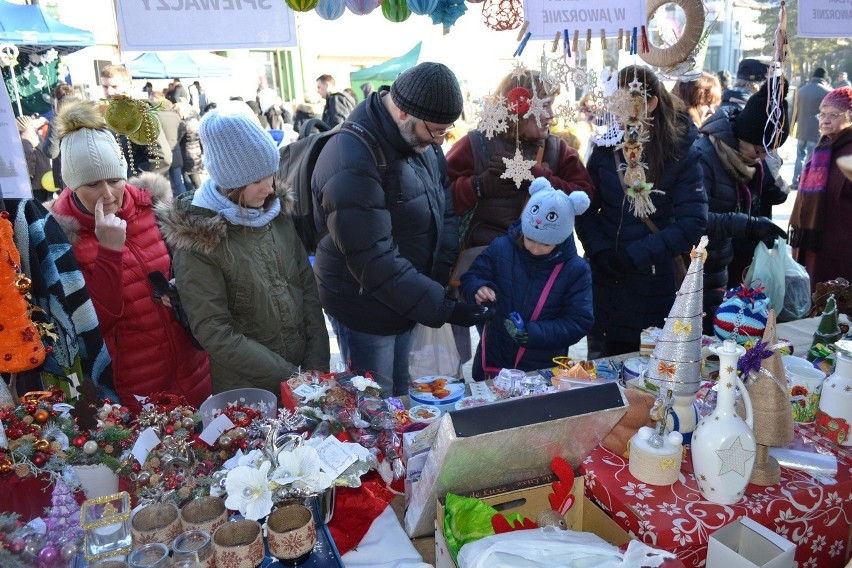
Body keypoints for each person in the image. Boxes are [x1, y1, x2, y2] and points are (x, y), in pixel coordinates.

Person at [312, 62, 494, 396]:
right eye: (436, 130)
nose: (440, 140)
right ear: (403, 112)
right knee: (374, 405)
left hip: (405, 299)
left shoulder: (422, 141)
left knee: (398, 394)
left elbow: (445, 209)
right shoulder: (351, 156)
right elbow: (373, 259)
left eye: (446, 130)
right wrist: (441, 306)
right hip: (363, 307)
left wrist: (436, 282)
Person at [50, 99, 210, 413]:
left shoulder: (155, 208)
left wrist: (181, 289)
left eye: (114, 180)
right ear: (72, 185)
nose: (108, 194)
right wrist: (109, 252)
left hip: (193, 370)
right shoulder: (62, 238)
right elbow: (97, 324)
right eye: (92, 185)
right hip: (136, 390)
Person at [158, 108, 330, 397]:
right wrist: (292, 378)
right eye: (256, 180)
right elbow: (216, 331)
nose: (270, 186)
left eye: (271, 174)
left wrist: (315, 366)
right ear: (230, 183)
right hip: (250, 391)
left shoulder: (276, 214)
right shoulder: (199, 240)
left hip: (305, 380)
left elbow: (307, 291)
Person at [575, 65, 708, 357]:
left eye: (629, 105)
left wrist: (637, 254)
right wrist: (599, 250)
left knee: (642, 368)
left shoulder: (678, 151)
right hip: (603, 277)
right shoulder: (605, 147)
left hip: (650, 278)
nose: (621, 116)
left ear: (651, 103)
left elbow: (693, 222)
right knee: (600, 365)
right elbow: (584, 207)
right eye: (615, 106)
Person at [460, 177, 593, 380]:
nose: (535, 248)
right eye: (530, 239)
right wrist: (477, 288)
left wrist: (532, 333)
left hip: (540, 368)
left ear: (562, 238)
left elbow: (579, 321)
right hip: (494, 359)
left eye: (546, 244)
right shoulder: (501, 247)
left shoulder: (575, 270)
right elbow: (472, 277)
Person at [447, 69, 595, 248]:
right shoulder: (476, 144)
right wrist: (478, 186)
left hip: (542, 261)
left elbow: (585, 198)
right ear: (518, 106)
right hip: (485, 262)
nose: (552, 114)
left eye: (551, 105)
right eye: (545, 105)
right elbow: (439, 198)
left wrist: (537, 176)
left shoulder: (557, 149)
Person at [694, 78, 790, 333]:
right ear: (745, 134)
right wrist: (748, 225)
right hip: (694, 269)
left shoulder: (745, 161)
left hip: (719, 266)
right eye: (758, 150)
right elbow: (694, 219)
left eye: (766, 153)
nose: (760, 158)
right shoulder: (705, 155)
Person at [790, 87, 852, 289]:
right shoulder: (823, 147)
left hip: (841, 253)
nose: (824, 120)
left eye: (833, 115)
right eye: (822, 114)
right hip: (813, 247)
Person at [100, 64, 172, 177]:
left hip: (137, 190)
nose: (109, 92)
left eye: (114, 86)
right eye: (105, 86)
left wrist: (134, 186)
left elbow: (161, 158)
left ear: (127, 86)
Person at [792, 68, 831, 189]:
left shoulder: (801, 90)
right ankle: (804, 181)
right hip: (817, 130)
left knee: (799, 157)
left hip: (802, 130)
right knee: (811, 157)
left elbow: (794, 111)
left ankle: (795, 181)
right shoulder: (827, 92)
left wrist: (792, 126)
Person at [153, 94, 190, 197]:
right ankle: (184, 205)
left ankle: (168, 205)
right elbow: (182, 130)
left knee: (162, 184)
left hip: (161, 153)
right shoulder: (175, 116)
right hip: (175, 151)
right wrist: (176, 141)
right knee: (178, 182)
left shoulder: (156, 116)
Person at [175, 102, 204, 190]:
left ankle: (192, 199)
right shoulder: (195, 121)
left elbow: (178, 140)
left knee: (188, 178)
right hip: (196, 152)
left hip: (186, 154)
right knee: (195, 176)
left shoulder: (184, 124)